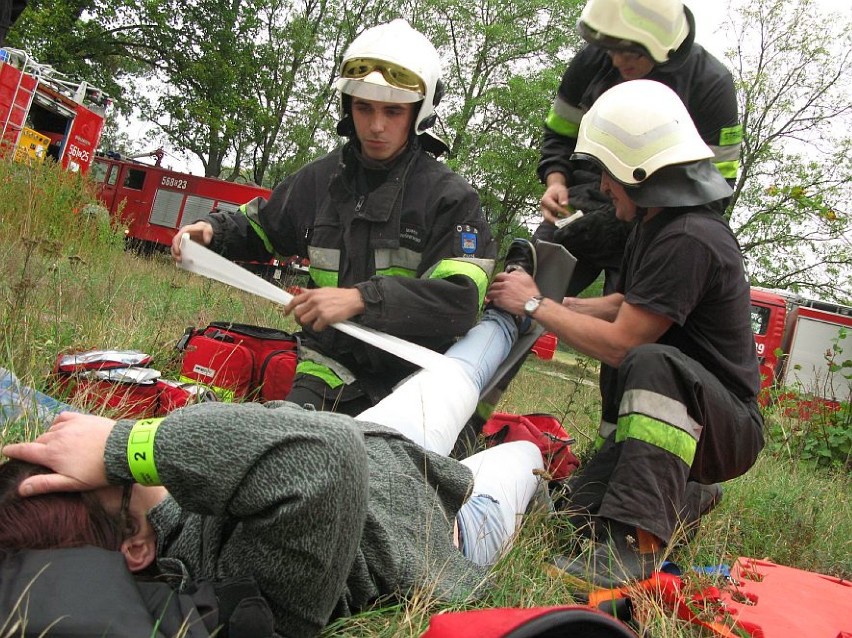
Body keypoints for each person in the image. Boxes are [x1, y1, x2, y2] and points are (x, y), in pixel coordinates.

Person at [0, 305, 547, 636]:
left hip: (386, 439)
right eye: (100, 473)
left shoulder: (167, 502)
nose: (93, 449)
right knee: (526, 457)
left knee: (459, 368)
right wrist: (124, 445)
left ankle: (511, 309)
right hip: (448, 525)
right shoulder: (231, 579)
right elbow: (324, 455)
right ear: (136, 546)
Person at [487, 79, 764, 588]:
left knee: (647, 360)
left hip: (726, 426)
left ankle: (638, 545)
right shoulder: (658, 225)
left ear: (640, 173)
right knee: (573, 525)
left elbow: (624, 342)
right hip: (699, 412)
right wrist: (566, 305)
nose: (604, 187)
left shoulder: (689, 237)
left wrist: (534, 303)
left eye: (608, 174)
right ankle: (686, 498)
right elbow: (627, 303)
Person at [171, 19, 496, 416]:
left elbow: (459, 301)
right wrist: (211, 231)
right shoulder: (320, 179)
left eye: (393, 111)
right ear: (348, 106)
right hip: (328, 365)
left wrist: (361, 299)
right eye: (364, 108)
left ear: (418, 114)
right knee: (289, 441)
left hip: (414, 382)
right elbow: (264, 226)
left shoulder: (451, 198)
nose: (376, 126)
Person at [535, 0, 742, 296]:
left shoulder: (710, 84)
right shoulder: (592, 62)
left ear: (661, 41)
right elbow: (559, 132)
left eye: (630, 52)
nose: (617, 61)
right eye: (610, 49)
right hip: (578, 207)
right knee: (521, 292)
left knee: (628, 330)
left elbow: (718, 186)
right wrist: (556, 180)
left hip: (651, 224)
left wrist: (628, 223)